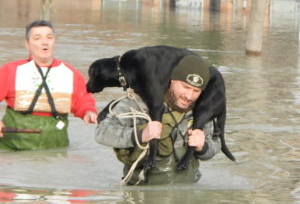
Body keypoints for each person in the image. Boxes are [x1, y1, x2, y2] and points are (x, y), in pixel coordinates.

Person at [95, 55, 221, 185]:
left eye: (196, 90)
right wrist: (140, 135)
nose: (189, 96)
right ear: (172, 80)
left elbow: (216, 145)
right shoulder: (140, 103)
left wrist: (203, 147)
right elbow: (101, 133)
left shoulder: (202, 109)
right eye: (185, 87)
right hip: (142, 192)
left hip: (188, 190)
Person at [0, 20, 97, 150]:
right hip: (12, 146)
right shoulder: (11, 70)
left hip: (56, 144)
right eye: (37, 38)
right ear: (27, 45)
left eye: (49, 37)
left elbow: (83, 101)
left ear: (54, 42)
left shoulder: (70, 73)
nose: (45, 42)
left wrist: (88, 112)